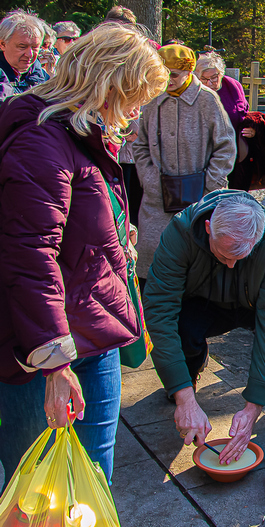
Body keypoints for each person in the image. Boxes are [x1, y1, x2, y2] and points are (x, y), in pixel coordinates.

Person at [0, 23, 169, 489]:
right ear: (107, 84)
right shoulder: (41, 141)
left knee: (92, 480)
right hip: (48, 350)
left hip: (93, 329)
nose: (137, 111)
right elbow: (30, 256)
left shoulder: (80, 133)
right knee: (43, 491)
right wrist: (54, 364)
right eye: (136, 96)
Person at [143, 190, 265, 465]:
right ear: (208, 227)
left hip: (256, 301)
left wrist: (253, 406)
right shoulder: (180, 232)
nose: (232, 264)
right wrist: (183, 397)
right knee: (179, 327)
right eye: (224, 255)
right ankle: (186, 373)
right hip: (203, 302)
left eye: (241, 257)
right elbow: (159, 310)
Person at [133, 44, 236, 281]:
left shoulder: (208, 100)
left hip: (200, 197)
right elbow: (140, 145)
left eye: (174, 75)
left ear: (189, 72)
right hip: (157, 198)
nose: (168, 80)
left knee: (198, 258)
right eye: (163, 73)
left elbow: (226, 146)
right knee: (153, 262)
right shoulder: (152, 98)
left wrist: (211, 185)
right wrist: (150, 180)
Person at [194, 51, 254, 190]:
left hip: (234, 155)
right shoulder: (194, 91)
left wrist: (251, 129)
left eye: (214, 78)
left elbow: (242, 114)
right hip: (204, 158)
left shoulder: (233, 86)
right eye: (204, 79)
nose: (210, 83)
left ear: (221, 73)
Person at [0, 10, 49, 99]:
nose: (30, 54)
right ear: (3, 44)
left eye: (35, 47)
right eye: (22, 47)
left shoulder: (40, 75)